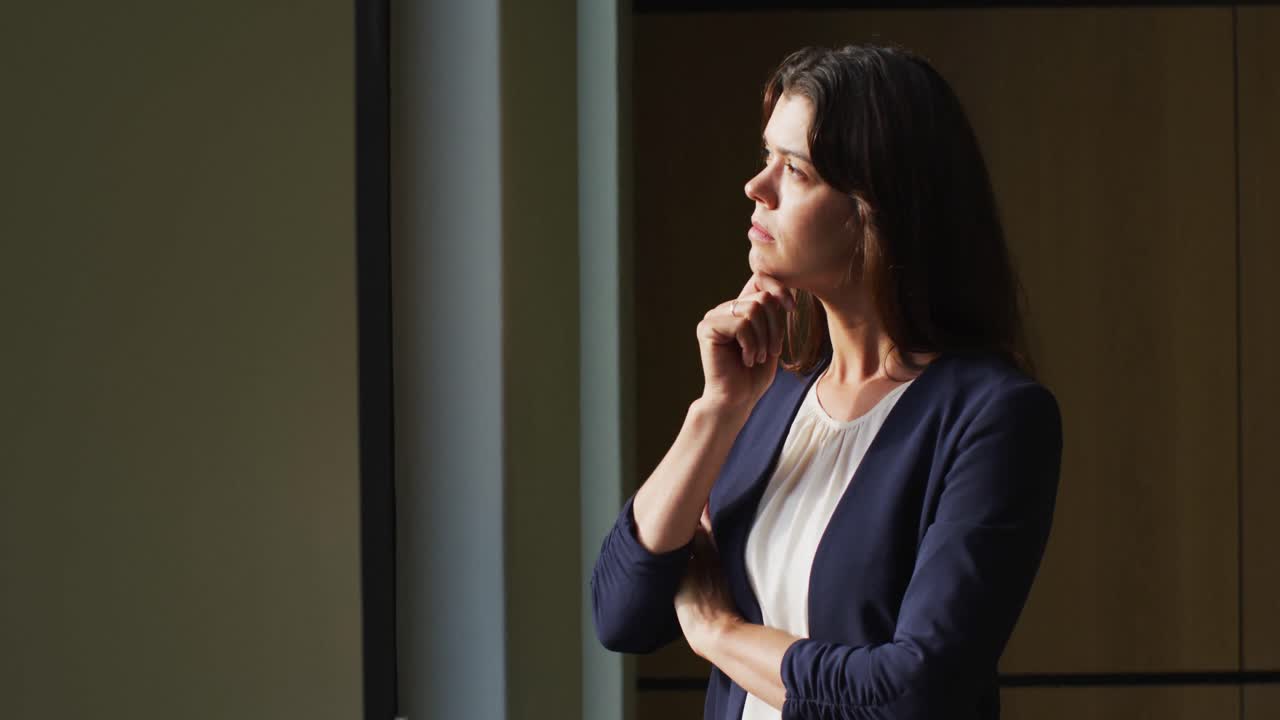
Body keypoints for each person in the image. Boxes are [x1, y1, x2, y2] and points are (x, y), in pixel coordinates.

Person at [590, 43, 1063, 720]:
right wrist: (717, 411)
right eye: (765, 157)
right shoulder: (769, 396)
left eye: (797, 170)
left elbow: (912, 691)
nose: (758, 187)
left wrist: (717, 632)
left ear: (875, 208)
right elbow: (621, 615)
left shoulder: (993, 418)